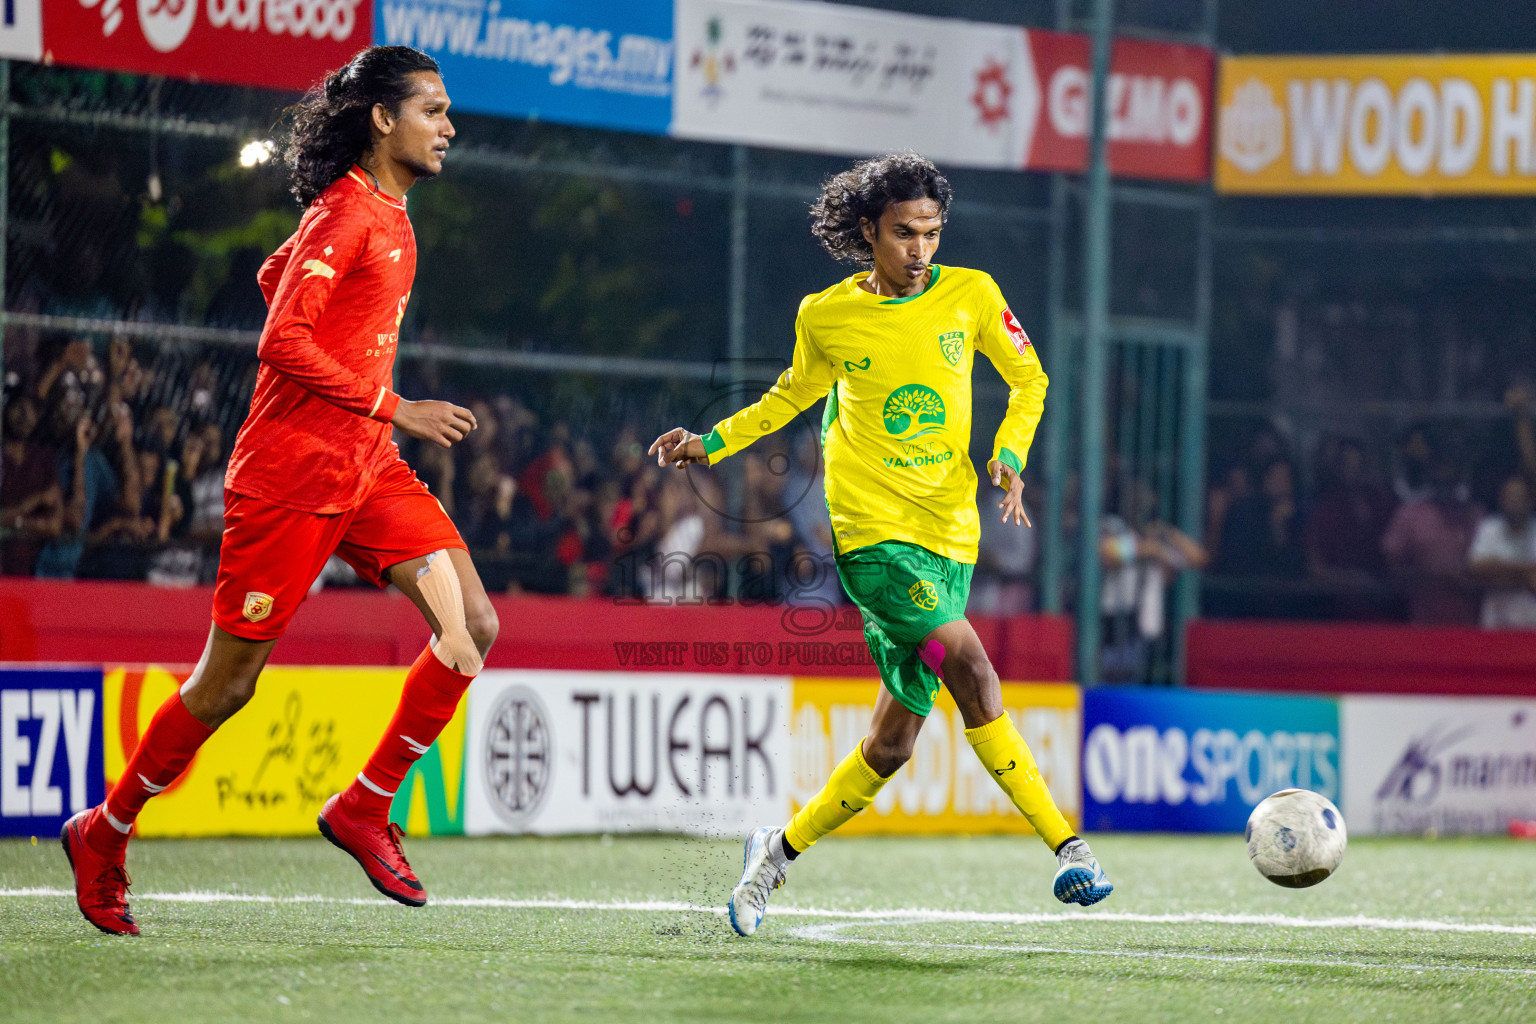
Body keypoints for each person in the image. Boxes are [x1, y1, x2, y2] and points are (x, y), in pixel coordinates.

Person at [60, 46, 497, 936]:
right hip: (290, 476)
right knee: (226, 686)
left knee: (474, 626)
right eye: (434, 111)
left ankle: (364, 808)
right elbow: (278, 339)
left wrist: (376, 417)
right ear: (383, 118)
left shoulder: (388, 213)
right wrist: (394, 404)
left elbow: (276, 278)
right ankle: (103, 832)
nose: (449, 128)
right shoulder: (348, 212)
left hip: (365, 466)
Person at [648, 152, 1111, 937]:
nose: (920, 249)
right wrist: (712, 443)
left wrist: (1011, 451)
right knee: (970, 664)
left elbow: (1029, 378)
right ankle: (1070, 848)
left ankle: (776, 852)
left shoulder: (973, 294)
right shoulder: (826, 315)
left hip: (950, 538)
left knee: (891, 745)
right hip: (871, 541)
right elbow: (791, 394)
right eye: (904, 233)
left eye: (932, 232)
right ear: (870, 230)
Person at [1467, 475, 1536, 629]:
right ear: (1501, 501)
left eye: (1518, 498)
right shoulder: (1489, 527)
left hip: (1531, 617)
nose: (1513, 503)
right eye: (1509, 498)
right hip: (1496, 617)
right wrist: (1526, 572)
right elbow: (1477, 567)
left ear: (1530, 501)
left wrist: (1498, 567)